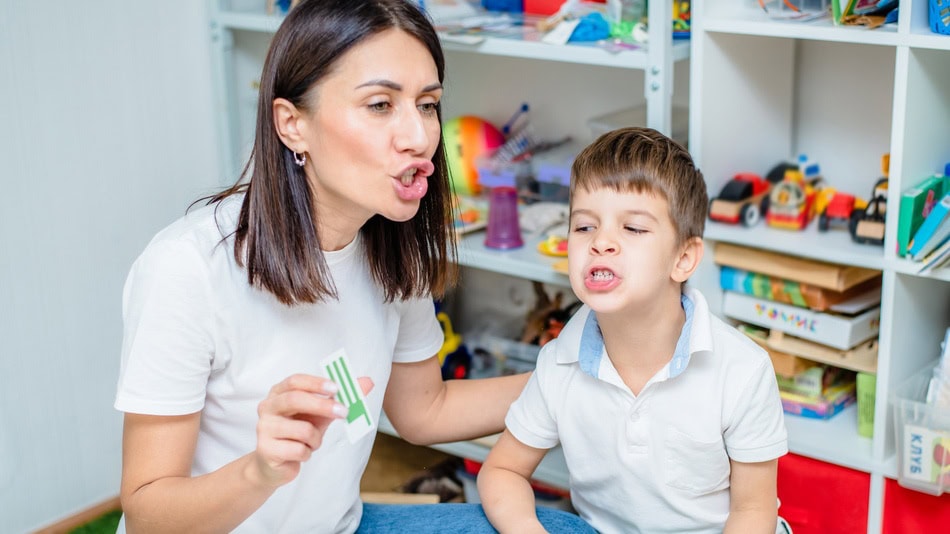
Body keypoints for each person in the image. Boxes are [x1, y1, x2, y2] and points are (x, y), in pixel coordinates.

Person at [113, 1, 593, 532]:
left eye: (428, 104)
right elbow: (147, 512)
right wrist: (259, 471)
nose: (418, 135)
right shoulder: (187, 269)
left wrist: (584, 378)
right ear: (292, 124)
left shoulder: (392, 247)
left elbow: (424, 410)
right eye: (381, 104)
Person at [477, 127, 789, 534]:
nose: (602, 242)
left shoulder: (742, 370)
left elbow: (753, 512)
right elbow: (501, 470)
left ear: (683, 258)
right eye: (585, 227)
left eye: (634, 228)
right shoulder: (558, 361)